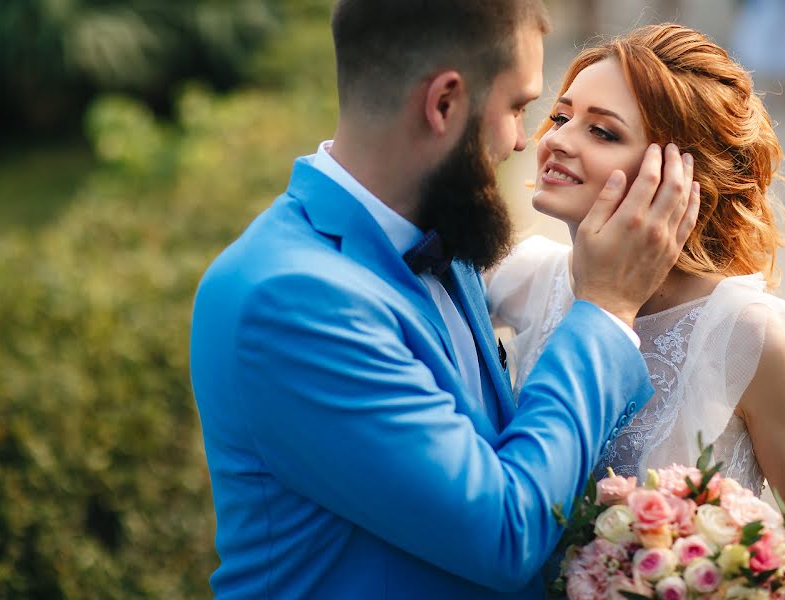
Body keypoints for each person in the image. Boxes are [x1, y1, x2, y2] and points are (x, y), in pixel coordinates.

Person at [189, 1, 701, 598]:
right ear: (444, 103)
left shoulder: (440, 230)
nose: (521, 142)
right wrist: (608, 309)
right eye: (517, 107)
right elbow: (505, 531)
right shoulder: (289, 300)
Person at [487, 23, 785, 598]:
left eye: (602, 131)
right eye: (561, 117)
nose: (558, 139)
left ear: (679, 175)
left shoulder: (749, 337)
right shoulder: (522, 278)